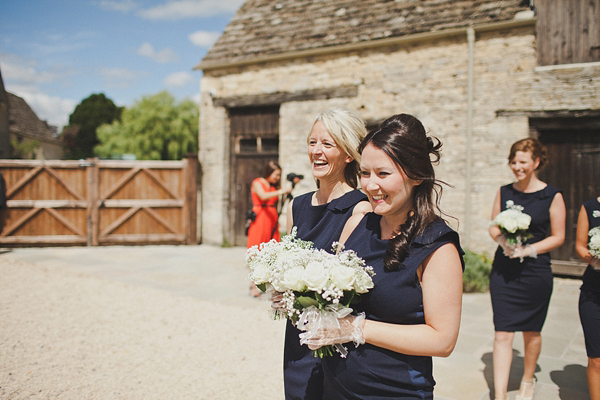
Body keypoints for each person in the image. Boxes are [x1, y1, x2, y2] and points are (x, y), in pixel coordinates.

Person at [300, 113, 464, 399]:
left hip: (392, 391)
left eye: (383, 174)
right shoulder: (357, 224)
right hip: (334, 386)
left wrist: (356, 328)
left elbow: (442, 340)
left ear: (415, 175)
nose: (370, 185)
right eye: (365, 173)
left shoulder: (436, 246)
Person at [283, 108, 371, 400]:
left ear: (348, 154)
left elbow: (354, 291)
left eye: (327, 144)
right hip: (297, 338)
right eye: (312, 142)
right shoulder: (296, 207)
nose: (316, 152)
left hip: (336, 344)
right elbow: (285, 269)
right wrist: (279, 292)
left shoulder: (360, 209)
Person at [488, 138, 566, 400]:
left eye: (522, 162)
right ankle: (499, 395)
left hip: (535, 271)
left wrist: (528, 250)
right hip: (504, 271)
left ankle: (527, 379)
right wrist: (502, 241)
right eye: (513, 161)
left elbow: (559, 236)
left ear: (536, 162)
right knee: (502, 333)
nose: (517, 167)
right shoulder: (504, 191)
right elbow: (494, 225)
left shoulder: (552, 195)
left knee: (531, 331)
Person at [247, 161, 292, 296]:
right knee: (257, 251)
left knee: (273, 251)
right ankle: (253, 284)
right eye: (276, 174)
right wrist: (281, 191)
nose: (277, 177)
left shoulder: (274, 186)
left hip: (272, 220)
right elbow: (263, 196)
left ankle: (270, 283)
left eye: (279, 175)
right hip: (260, 219)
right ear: (269, 171)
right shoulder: (257, 182)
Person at [575, 196, 600, 400]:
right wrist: (596, 260)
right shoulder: (590, 207)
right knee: (596, 358)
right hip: (594, 291)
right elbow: (581, 246)